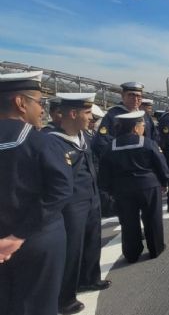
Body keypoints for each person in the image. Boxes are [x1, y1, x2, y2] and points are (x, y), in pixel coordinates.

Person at [0, 71, 73, 315]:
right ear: (20, 103)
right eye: (39, 103)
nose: (42, 110)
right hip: (35, 241)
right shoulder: (40, 142)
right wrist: (16, 237)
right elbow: (61, 190)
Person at [48, 94, 110, 314]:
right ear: (73, 114)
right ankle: (65, 298)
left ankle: (90, 278)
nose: (91, 117)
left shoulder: (83, 137)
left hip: (91, 197)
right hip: (72, 205)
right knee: (72, 249)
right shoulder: (52, 141)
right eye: (86, 113)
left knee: (93, 240)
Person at [98, 111, 169, 263]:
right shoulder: (147, 143)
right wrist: (165, 181)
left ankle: (132, 253)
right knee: (153, 218)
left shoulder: (110, 147)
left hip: (123, 190)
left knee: (128, 222)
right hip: (148, 186)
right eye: (142, 125)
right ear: (136, 128)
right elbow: (160, 164)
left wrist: (111, 190)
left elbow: (104, 173)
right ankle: (156, 248)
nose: (143, 128)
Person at [92, 82, 156, 158]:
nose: (135, 99)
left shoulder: (145, 115)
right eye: (131, 95)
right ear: (123, 96)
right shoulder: (112, 115)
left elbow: (154, 136)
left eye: (138, 96)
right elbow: (101, 142)